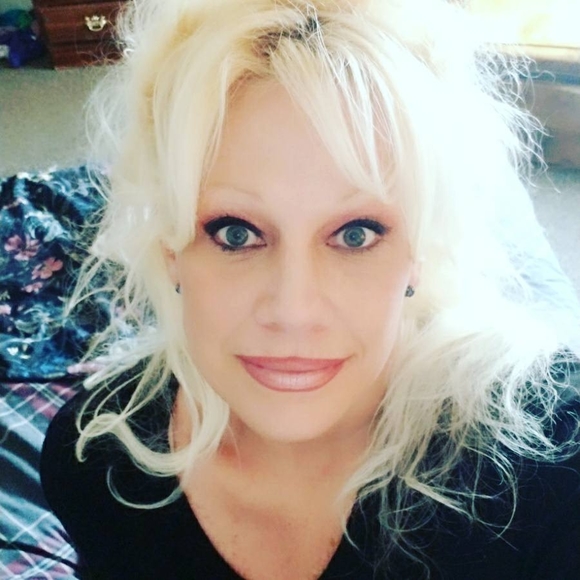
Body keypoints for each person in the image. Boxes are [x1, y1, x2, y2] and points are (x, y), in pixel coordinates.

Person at [40, 0, 580, 578]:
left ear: (421, 251)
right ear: (171, 249)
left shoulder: (556, 465)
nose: (294, 311)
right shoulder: (95, 463)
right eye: (236, 233)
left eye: (355, 234)